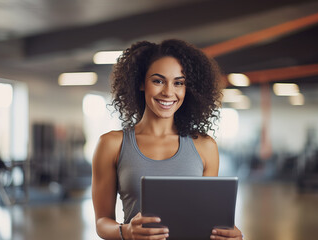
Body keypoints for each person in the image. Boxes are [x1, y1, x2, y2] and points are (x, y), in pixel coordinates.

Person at [92, 39, 243, 240]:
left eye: (178, 83)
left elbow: (206, 218)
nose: (168, 92)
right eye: (158, 80)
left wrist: (229, 234)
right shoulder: (111, 144)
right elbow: (102, 222)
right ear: (140, 83)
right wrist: (126, 231)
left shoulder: (205, 147)